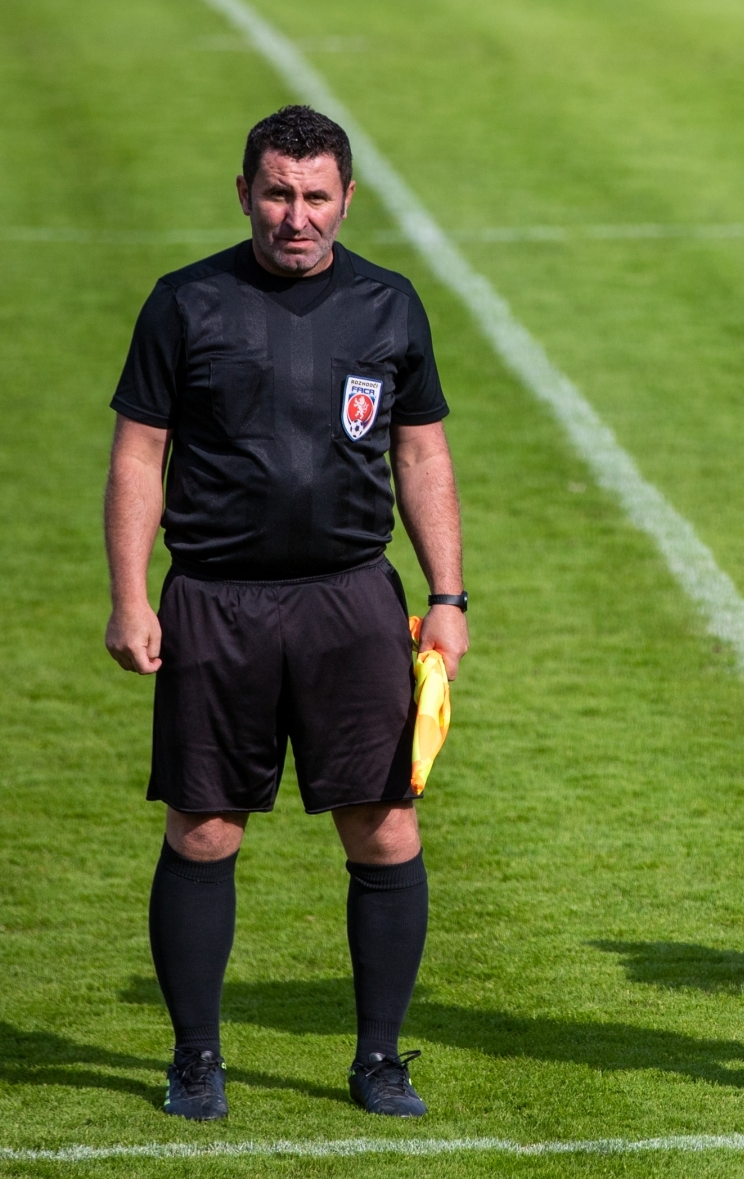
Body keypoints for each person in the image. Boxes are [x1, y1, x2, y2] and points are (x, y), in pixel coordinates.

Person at [104, 105, 468, 1121]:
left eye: (314, 196)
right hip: (215, 603)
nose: (294, 216)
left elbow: (422, 452)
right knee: (204, 832)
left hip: (352, 600)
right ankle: (195, 1060)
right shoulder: (185, 303)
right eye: (276, 193)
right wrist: (130, 597)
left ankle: (380, 1060)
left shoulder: (389, 305)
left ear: (347, 199)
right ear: (244, 194)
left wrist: (446, 596)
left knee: (385, 829)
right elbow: (138, 454)